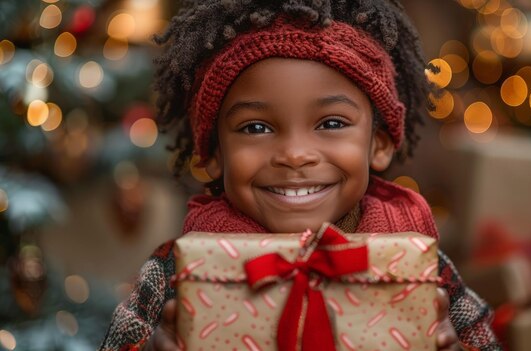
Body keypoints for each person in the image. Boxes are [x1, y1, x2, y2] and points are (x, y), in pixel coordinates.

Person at [100, 1, 501, 350]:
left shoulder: (418, 264)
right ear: (214, 155)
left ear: (378, 144)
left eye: (330, 123)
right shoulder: (178, 272)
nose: (294, 155)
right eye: (256, 128)